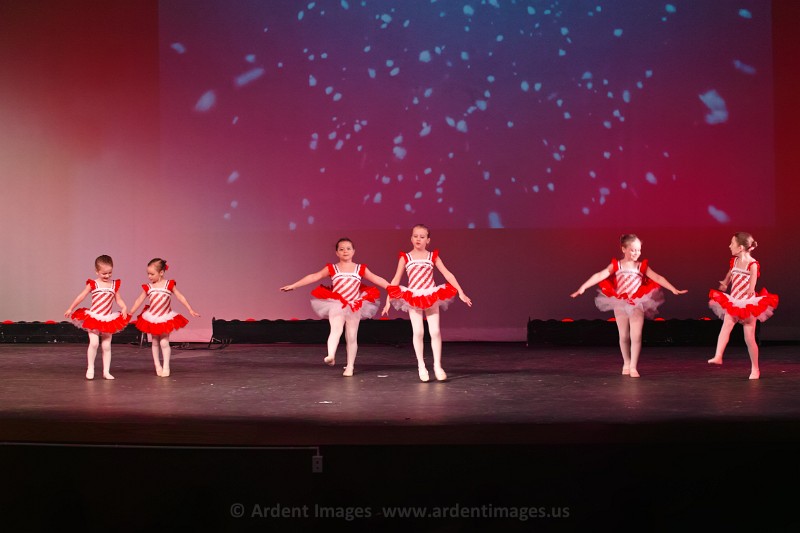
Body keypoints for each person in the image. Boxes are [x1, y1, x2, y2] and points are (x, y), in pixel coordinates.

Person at [571, 234, 687, 378]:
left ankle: (633, 366)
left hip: (637, 302)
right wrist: (583, 287)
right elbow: (600, 275)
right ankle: (626, 362)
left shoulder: (640, 266)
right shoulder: (617, 266)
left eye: (639, 250)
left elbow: (657, 277)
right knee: (624, 335)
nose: (636, 253)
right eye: (633, 250)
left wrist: (673, 289)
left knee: (636, 335)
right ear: (623, 249)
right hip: (620, 303)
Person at [280, 238, 389, 377]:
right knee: (336, 330)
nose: (345, 251)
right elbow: (314, 276)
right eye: (341, 249)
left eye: (348, 248)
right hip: (337, 304)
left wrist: (392, 288)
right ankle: (331, 355)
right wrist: (294, 285)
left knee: (351, 336)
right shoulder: (332, 268)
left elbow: (377, 279)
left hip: (354, 305)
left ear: (354, 251)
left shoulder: (360, 268)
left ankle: (350, 366)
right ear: (337, 252)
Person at [382, 225, 472, 382]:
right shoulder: (406, 257)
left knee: (435, 331)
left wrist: (461, 292)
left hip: (431, 295)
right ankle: (421, 365)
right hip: (413, 297)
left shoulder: (432, 256)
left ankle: (437, 365)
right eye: (415, 236)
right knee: (418, 332)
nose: (418, 239)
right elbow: (395, 280)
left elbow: (448, 274)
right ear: (411, 238)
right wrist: (388, 301)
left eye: (422, 237)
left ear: (428, 240)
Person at [707, 232, 779, 380]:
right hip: (734, 302)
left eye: (732, 243)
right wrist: (725, 283)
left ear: (740, 247)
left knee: (749, 338)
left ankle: (755, 368)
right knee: (726, 326)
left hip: (747, 305)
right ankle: (718, 356)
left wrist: (750, 290)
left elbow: (753, 281)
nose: (729, 246)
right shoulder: (734, 261)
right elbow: (730, 275)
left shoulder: (753, 264)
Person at [128, 258, 200, 377]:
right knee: (155, 342)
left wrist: (190, 309)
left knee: (164, 342)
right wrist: (130, 312)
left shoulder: (169, 284)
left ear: (161, 272)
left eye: (152, 274)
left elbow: (180, 296)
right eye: (148, 274)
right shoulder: (149, 287)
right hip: (152, 317)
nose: (149, 276)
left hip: (165, 318)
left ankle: (166, 366)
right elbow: (139, 300)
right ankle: (157, 366)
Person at [64, 255, 129, 380]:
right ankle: (90, 368)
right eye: (104, 273)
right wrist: (70, 308)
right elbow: (81, 296)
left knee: (106, 346)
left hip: (108, 319)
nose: (107, 275)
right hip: (94, 318)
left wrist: (124, 307)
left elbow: (119, 299)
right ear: (97, 272)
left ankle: (106, 371)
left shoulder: (114, 285)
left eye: (110, 273)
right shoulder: (93, 284)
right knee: (94, 343)